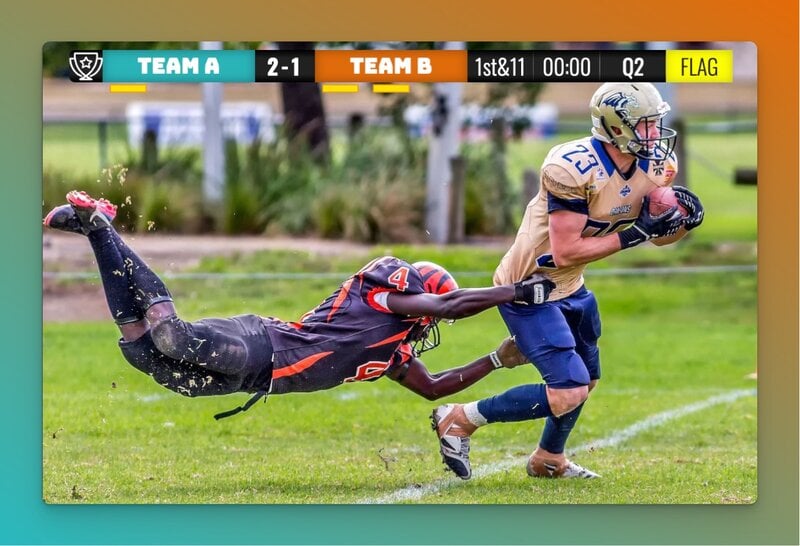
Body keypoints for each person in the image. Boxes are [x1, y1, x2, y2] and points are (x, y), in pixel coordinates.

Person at [43, 190, 556, 420]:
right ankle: (102, 225)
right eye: (426, 311)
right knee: (171, 336)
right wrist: (513, 291)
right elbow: (448, 308)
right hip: (262, 344)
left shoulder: (394, 349)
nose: (425, 324)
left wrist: (496, 360)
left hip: (254, 379)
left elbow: (436, 388)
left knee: (144, 352)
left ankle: (95, 235)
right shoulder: (388, 296)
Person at [431, 82, 706, 480]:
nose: (654, 132)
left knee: (586, 380)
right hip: (530, 284)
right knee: (568, 390)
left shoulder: (655, 164)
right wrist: (636, 234)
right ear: (615, 127)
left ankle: (548, 459)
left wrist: (679, 223)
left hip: (570, 285)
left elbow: (657, 234)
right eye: (645, 124)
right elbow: (566, 251)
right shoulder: (571, 167)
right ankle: (459, 418)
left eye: (655, 122)